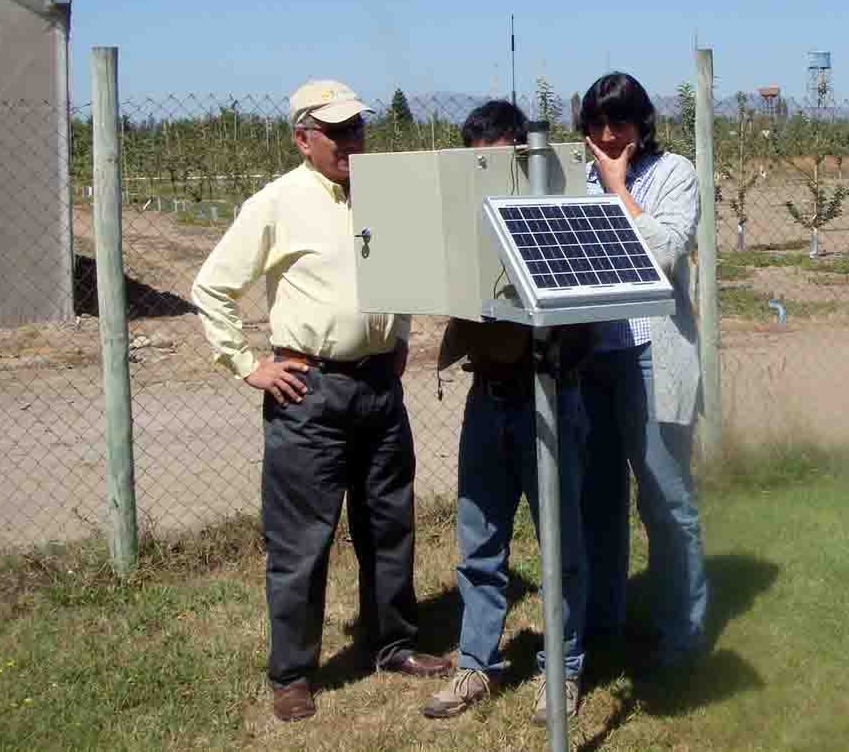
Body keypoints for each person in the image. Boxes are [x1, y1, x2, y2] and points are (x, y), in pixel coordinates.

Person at [190, 79, 449, 723]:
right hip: (310, 392)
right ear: (303, 138)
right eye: (336, 132)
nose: (350, 141)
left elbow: (407, 269)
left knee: (389, 522)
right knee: (302, 537)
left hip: (378, 390)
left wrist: (401, 335)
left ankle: (390, 643)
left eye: (357, 128)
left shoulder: (386, 198)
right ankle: (293, 672)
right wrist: (248, 364)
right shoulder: (275, 204)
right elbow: (212, 288)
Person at [423, 99, 593, 724]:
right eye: (474, 166)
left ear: (522, 156)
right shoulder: (464, 224)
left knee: (561, 545)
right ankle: (477, 663)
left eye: (491, 163)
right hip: (486, 398)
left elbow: (582, 324)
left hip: (549, 398)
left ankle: (565, 667)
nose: (482, 177)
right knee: (479, 540)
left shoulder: (565, 212)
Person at [576, 72, 708, 670]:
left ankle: (681, 633)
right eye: (598, 123)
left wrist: (619, 188)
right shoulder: (570, 180)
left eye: (620, 122)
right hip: (592, 358)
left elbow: (664, 251)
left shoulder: (672, 174)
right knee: (598, 501)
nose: (609, 134)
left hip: (652, 355)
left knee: (663, 497)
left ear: (642, 124)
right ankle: (605, 626)